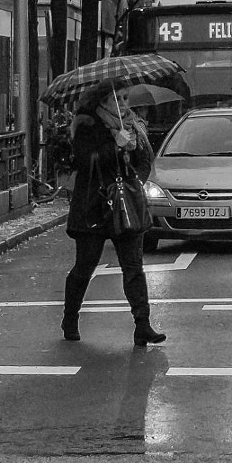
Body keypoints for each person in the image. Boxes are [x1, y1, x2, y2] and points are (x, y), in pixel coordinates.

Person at [60, 86, 165, 346]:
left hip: (125, 204)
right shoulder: (86, 125)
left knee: (133, 268)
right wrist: (114, 146)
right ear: (102, 102)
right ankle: (70, 317)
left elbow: (145, 160)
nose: (123, 103)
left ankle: (142, 324)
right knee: (85, 267)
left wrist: (135, 181)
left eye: (125, 98)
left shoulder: (133, 126)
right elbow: (84, 160)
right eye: (117, 99)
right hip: (93, 206)